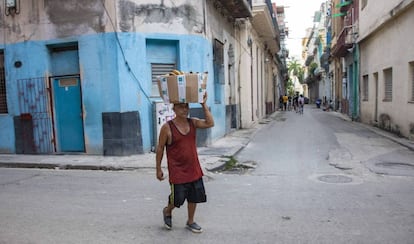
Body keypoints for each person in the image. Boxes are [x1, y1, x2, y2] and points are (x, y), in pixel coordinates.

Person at [156, 92, 214, 233]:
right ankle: (167, 211)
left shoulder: (192, 122)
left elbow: (210, 123)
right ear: (174, 108)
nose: (184, 109)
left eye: (186, 106)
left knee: (194, 197)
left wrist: (203, 104)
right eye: (181, 107)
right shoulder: (167, 128)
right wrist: (158, 168)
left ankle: (190, 221)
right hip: (177, 171)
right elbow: (160, 148)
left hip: (193, 168)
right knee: (178, 199)